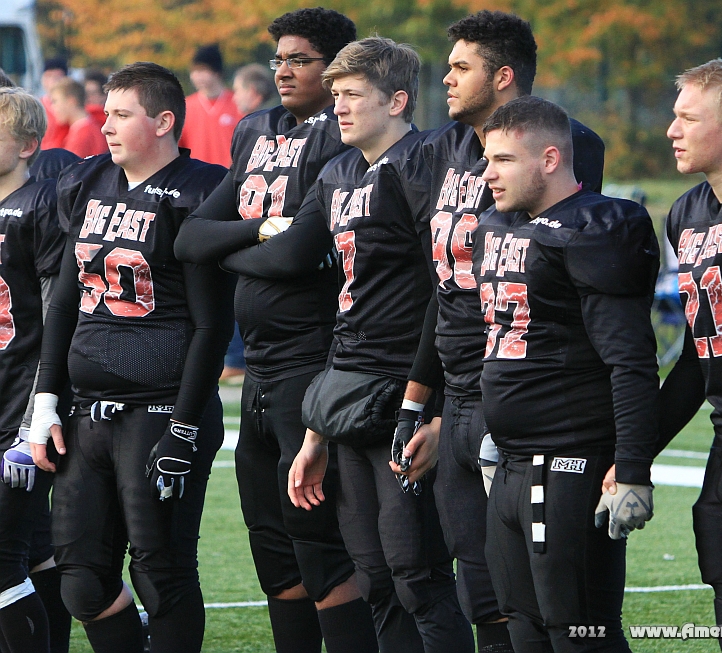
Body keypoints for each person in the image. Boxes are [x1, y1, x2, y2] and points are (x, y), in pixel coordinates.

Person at [173, 10, 379, 653]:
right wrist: (261, 231)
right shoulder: (256, 129)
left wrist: (229, 249)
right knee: (274, 552)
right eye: (279, 59)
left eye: (300, 59)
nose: (283, 70)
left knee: (321, 547)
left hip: (314, 359)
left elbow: (297, 255)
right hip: (260, 364)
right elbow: (189, 239)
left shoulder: (343, 135)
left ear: (337, 69)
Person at [27, 62, 233, 653]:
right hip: (87, 410)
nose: (107, 126)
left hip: (160, 407)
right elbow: (64, 302)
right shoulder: (87, 181)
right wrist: (46, 400)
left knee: (161, 570)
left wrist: (185, 424)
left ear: (164, 122)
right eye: (108, 113)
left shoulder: (200, 190)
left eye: (122, 114)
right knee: (81, 579)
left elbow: (211, 324)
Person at [419, 13, 604, 652]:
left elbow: (547, 277)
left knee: (552, 603)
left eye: (461, 67)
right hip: (459, 390)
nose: (447, 78)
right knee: (485, 593)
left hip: (524, 390)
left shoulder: (565, 145)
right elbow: (441, 284)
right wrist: (423, 398)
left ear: (502, 76)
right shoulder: (446, 148)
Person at [287, 35, 473, 653]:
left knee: (418, 575)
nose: (337, 107)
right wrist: (317, 432)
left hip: (405, 392)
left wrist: (435, 409)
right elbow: (348, 304)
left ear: (396, 101)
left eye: (352, 95)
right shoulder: (338, 172)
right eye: (335, 95)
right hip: (352, 396)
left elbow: (447, 294)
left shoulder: (423, 166)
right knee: (374, 579)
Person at [470, 95, 658, 652]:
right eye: (487, 159)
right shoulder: (498, 227)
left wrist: (633, 467)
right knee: (521, 625)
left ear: (549, 159)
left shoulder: (595, 227)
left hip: (569, 461)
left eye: (503, 160)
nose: (487, 173)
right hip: (509, 459)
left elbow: (630, 360)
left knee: (578, 629)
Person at [656, 59, 722, 653]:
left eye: (688, 118)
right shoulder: (686, 211)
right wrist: (633, 452)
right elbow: (698, 355)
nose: (672, 130)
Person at [0, 87, 68, 653]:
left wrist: (34, 418)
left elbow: (55, 313)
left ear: (26, 145)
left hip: (20, 402)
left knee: (4, 559)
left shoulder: (39, 205)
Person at [178, 45, 241, 167]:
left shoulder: (238, 103)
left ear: (216, 72)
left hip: (229, 175)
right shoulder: (184, 107)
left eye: (202, 70)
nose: (196, 76)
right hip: (196, 175)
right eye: (193, 71)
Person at [48, 78, 107, 159]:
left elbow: (70, 165)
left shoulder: (82, 133)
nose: (52, 107)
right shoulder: (88, 125)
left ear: (71, 101)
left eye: (55, 101)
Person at [38, 59, 69, 151]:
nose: (51, 82)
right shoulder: (37, 106)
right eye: (48, 76)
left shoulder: (72, 105)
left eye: (57, 77)